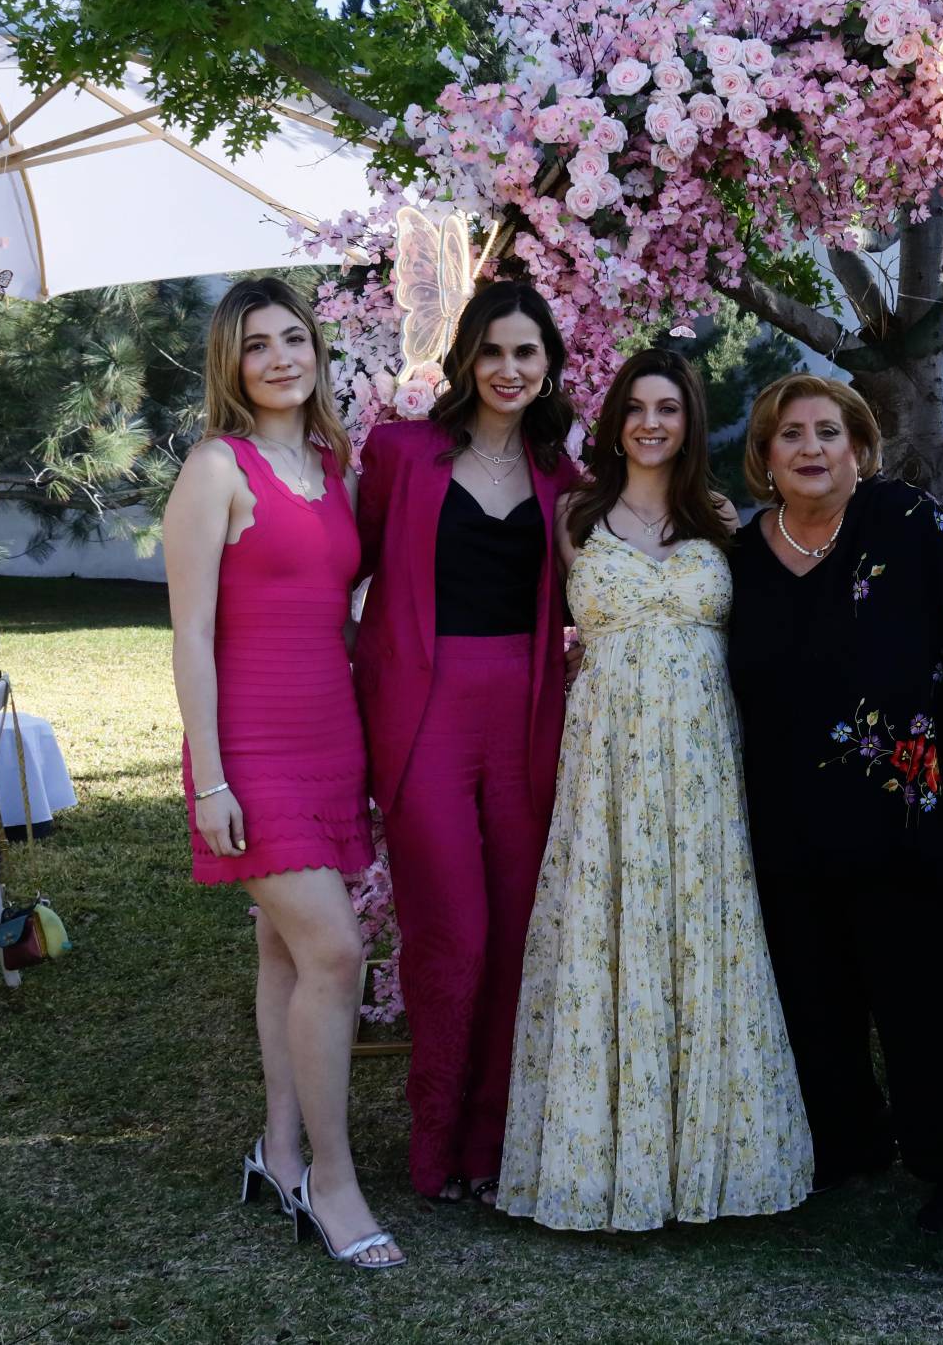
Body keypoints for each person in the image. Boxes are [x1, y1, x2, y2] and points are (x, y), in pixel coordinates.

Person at [496, 349, 814, 1231]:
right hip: (606, 765)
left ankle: (714, 1158)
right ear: (614, 421)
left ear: (688, 419)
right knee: (608, 935)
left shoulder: (720, 519)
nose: (650, 422)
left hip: (704, 763)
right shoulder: (572, 516)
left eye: (668, 407)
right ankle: (601, 1162)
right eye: (635, 406)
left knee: (702, 935)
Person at [725, 374, 943, 1232]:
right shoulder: (741, 559)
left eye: (830, 432)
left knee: (929, 995)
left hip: (915, 818)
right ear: (765, 455)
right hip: (788, 819)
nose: (811, 448)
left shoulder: (910, 522)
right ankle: (848, 1141)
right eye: (792, 434)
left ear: (859, 448)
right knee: (812, 993)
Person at [165, 277, 400, 1269]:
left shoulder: (328, 461)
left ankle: (279, 1147)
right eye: (255, 343)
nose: (277, 358)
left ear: (316, 350)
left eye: (292, 338)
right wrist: (209, 779)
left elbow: (335, 608)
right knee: (336, 954)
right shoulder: (217, 466)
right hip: (250, 751)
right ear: (231, 362)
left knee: (286, 953)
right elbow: (189, 633)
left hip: (330, 739)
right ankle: (332, 1183)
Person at [353, 280, 581, 1205]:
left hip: (529, 720)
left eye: (527, 353)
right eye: (493, 351)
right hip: (422, 721)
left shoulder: (565, 477)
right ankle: (432, 1144)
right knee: (454, 936)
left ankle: (490, 1148)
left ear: (550, 366)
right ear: (466, 361)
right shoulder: (400, 453)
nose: (510, 369)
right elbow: (346, 568)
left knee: (520, 932)